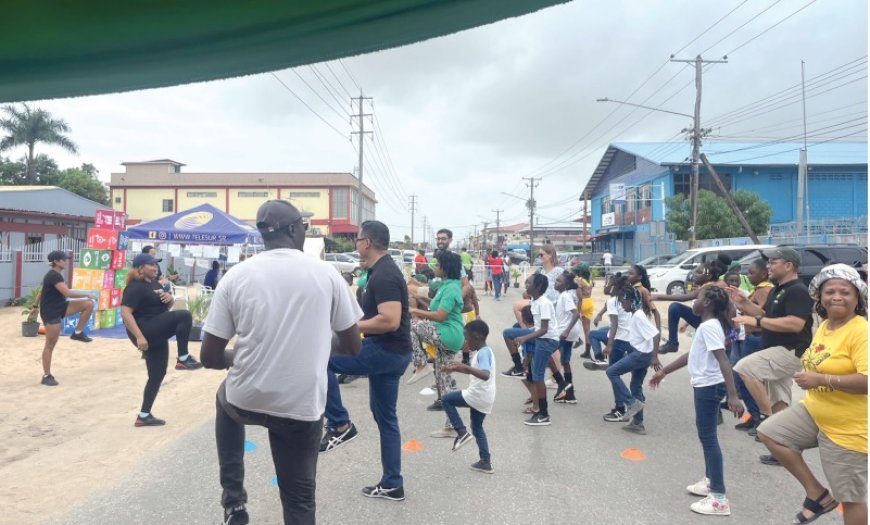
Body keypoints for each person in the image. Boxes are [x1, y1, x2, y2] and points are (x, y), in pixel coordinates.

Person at [200, 200, 362, 525]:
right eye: (303, 225)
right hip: (299, 407)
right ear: (293, 229)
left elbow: (210, 356)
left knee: (224, 397)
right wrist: (315, 344)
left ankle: (233, 502)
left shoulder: (236, 276)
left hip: (247, 398)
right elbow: (352, 347)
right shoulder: (327, 275)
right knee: (299, 499)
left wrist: (239, 357)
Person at [757, 264, 867, 525]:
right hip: (815, 411)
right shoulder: (827, 325)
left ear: (858, 298)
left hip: (847, 428)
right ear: (820, 296)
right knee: (770, 432)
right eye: (830, 291)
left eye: (845, 292)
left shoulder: (861, 331)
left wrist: (821, 379)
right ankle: (818, 494)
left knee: (851, 498)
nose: (837, 297)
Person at [319, 220, 413, 502]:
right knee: (386, 418)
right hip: (394, 353)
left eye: (358, 240)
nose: (355, 244)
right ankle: (393, 483)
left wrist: (353, 327)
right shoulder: (378, 271)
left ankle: (339, 424)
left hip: (386, 350)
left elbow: (390, 319)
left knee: (321, 358)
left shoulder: (384, 275)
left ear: (368, 242)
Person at [649, 286, 744, 516]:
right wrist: (664, 371)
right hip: (706, 384)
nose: (694, 300)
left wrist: (733, 395)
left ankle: (719, 498)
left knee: (708, 437)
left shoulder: (710, 326)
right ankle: (711, 481)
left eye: (698, 297)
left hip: (709, 386)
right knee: (706, 434)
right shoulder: (709, 326)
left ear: (708, 303)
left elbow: (724, 362)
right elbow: (693, 354)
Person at [729, 247, 814, 462]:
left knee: (744, 367)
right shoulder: (778, 289)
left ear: (789, 266)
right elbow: (767, 315)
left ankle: (767, 422)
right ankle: (783, 448)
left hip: (790, 351)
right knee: (780, 401)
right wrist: (744, 303)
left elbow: (796, 323)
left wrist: (756, 322)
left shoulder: (797, 290)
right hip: (776, 350)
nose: (768, 265)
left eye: (773, 261)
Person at [120, 253, 200, 428]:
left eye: (156, 265)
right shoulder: (135, 287)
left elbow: (164, 307)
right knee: (184, 315)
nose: (155, 268)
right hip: (145, 329)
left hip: (156, 328)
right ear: (140, 268)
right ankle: (183, 358)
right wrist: (139, 337)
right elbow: (125, 312)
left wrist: (170, 300)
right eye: (151, 265)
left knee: (157, 375)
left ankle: (144, 415)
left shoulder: (155, 284)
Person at [408, 251, 465, 411]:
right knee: (443, 381)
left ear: (445, 268)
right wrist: (419, 301)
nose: (435, 267)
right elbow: (436, 307)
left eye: (438, 265)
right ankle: (453, 426)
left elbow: (440, 315)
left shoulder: (451, 288)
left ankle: (421, 364)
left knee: (413, 324)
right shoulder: (446, 285)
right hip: (448, 335)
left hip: (448, 333)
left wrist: (416, 311)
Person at [32, 250, 97, 386]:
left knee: (88, 305)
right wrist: (88, 294)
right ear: (56, 261)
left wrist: (34, 306)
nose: (65, 261)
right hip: (51, 312)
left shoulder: (55, 275)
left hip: (61, 306)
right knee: (50, 345)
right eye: (63, 259)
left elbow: (41, 291)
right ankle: (46, 375)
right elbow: (67, 292)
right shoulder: (53, 276)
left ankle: (77, 333)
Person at [603, 285, 661, 435]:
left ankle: (631, 403)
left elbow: (655, 334)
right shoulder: (635, 314)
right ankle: (638, 423)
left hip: (641, 355)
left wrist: (654, 357)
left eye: (622, 302)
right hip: (642, 354)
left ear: (629, 300)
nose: (622, 306)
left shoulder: (638, 316)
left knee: (611, 372)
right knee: (635, 386)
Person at [441, 319, 496, 474]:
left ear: (477, 336)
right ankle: (486, 462)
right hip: (486, 396)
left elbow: (485, 374)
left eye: (467, 337)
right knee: (477, 427)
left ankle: (461, 432)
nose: (465, 341)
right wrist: (457, 368)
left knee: (446, 399)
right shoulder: (484, 351)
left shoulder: (483, 352)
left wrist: (463, 366)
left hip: (478, 395)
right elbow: (474, 371)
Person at [654, 254, 732, 353]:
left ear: (709, 276)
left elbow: (684, 298)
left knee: (675, 307)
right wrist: (686, 324)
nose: (694, 274)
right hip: (709, 321)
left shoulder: (712, 287)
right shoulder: (714, 283)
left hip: (718, 325)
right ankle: (672, 343)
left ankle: (672, 343)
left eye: (698, 272)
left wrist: (656, 296)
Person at [733, 258, 775, 432]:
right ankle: (755, 415)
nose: (748, 276)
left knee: (746, 377)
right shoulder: (758, 289)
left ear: (764, 274)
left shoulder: (765, 290)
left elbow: (763, 314)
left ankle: (759, 417)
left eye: (752, 273)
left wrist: (744, 306)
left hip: (757, 336)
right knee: (743, 378)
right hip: (751, 336)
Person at [512, 273, 559, 426]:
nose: (526, 283)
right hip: (541, 338)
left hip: (547, 339)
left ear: (538, 286)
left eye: (530, 282)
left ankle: (544, 414)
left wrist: (525, 338)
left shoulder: (544, 303)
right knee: (537, 375)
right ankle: (560, 383)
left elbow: (544, 329)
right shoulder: (535, 301)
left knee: (538, 377)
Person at [553, 271, 582, 404]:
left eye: (558, 281)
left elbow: (576, 314)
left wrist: (565, 331)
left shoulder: (565, 296)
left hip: (566, 332)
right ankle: (569, 394)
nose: (555, 283)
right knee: (565, 361)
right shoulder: (565, 295)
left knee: (545, 353)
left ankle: (562, 384)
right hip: (571, 332)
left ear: (566, 285)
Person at [571, 264, 595, 359]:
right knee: (587, 329)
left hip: (582, 303)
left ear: (580, 272)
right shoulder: (589, 280)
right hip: (590, 302)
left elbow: (579, 297)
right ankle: (587, 351)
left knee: (571, 322)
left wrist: (579, 310)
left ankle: (577, 339)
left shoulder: (579, 281)